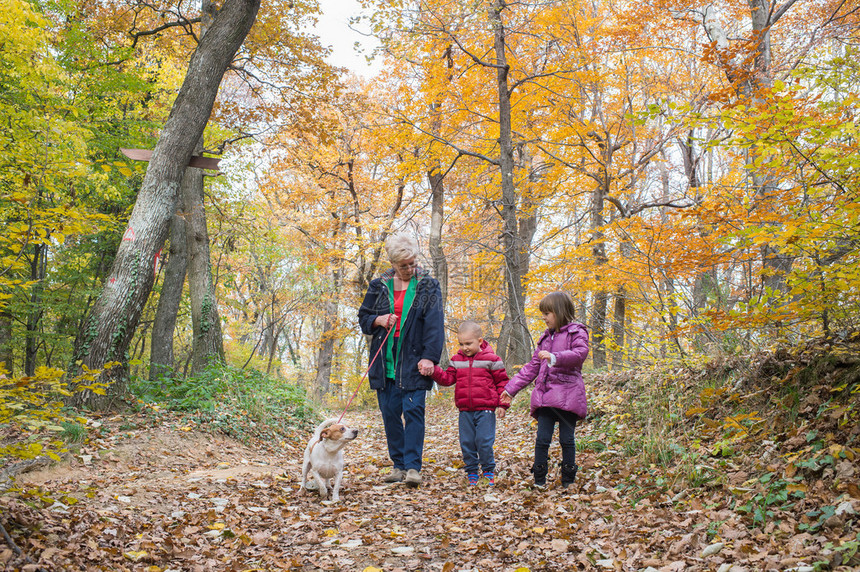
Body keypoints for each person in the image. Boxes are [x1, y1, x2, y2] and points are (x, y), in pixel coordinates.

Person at [358, 233, 444, 488]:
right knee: (391, 414)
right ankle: (397, 465)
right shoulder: (378, 285)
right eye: (403, 265)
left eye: (412, 263)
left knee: (414, 412)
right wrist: (378, 320)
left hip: (415, 361)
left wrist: (430, 357)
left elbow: (434, 325)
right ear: (392, 263)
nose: (409, 268)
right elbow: (363, 317)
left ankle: (413, 467)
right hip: (385, 362)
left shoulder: (428, 285)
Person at [499, 291, 589, 489]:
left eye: (547, 313)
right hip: (546, 396)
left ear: (559, 312)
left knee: (567, 439)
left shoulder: (577, 332)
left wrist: (555, 357)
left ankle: (568, 480)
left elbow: (580, 354)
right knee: (542, 439)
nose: (544, 317)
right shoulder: (545, 337)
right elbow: (532, 367)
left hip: (569, 395)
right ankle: (539, 480)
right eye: (543, 313)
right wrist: (511, 389)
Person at [432, 321, 509, 486]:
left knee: (483, 441)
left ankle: (488, 469)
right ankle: (472, 471)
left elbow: (502, 383)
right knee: (466, 442)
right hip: (465, 410)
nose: (464, 347)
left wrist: (502, 405)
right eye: (461, 344)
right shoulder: (456, 360)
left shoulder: (492, 360)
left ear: (480, 341)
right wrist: (435, 371)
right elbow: (447, 379)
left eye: (468, 343)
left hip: (486, 409)